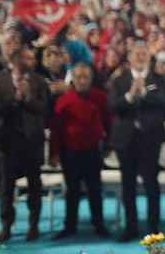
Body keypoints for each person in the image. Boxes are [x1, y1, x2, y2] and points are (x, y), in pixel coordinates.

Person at [109, 44, 165, 241]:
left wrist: (143, 93)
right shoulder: (119, 80)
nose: (141, 57)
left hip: (150, 139)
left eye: (144, 54)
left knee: (151, 184)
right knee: (128, 185)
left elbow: (164, 102)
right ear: (130, 57)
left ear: (149, 58)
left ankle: (153, 227)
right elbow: (112, 106)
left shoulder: (158, 79)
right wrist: (129, 95)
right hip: (125, 140)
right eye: (137, 54)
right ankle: (131, 227)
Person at [0, 45, 49, 242]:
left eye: (32, 58)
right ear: (16, 60)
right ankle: (6, 225)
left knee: (34, 186)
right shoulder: (0, 81)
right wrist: (14, 98)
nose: (31, 62)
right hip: (7, 142)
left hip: (32, 142)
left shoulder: (39, 81)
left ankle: (33, 225)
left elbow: (43, 109)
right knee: (6, 187)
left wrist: (27, 97)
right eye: (27, 58)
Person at [52, 63, 110, 239]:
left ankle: (99, 225)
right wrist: (54, 153)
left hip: (93, 151)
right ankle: (70, 226)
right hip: (70, 152)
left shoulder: (101, 98)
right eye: (79, 77)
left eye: (86, 77)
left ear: (91, 79)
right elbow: (56, 129)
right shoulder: (63, 100)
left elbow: (109, 122)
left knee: (95, 190)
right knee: (72, 191)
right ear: (73, 79)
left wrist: (108, 146)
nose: (82, 81)